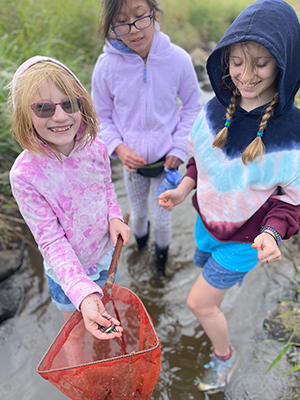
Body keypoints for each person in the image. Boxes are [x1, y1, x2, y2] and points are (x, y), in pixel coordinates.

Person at [158, 0, 300, 393]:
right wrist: (183, 189)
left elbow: (291, 200)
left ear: (284, 65)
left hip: (244, 241)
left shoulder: (291, 136)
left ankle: (225, 357)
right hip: (207, 223)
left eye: (261, 64)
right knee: (200, 260)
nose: (247, 75)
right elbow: (200, 162)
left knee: (198, 304)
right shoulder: (212, 111)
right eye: (237, 62)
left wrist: (271, 234)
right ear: (225, 60)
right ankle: (221, 289)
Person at [8, 56, 131, 342]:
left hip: (104, 257)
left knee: (106, 315)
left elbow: (106, 186)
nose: (60, 116)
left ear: (82, 106)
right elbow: (50, 241)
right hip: (66, 274)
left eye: (69, 104)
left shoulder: (96, 148)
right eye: (43, 108)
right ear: (25, 117)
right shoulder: (25, 175)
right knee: (75, 333)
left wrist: (114, 215)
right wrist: (82, 292)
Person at [91, 0, 202, 276]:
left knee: (163, 220)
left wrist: (179, 146)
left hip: (168, 165)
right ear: (111, 26)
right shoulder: (106, 66)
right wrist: (118, 146)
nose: (134, 30)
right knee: (138, 216)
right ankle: (141, 251)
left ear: (154, 13)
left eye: (141, 17)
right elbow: (101, 116)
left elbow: (192, 107)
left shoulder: (178, 59)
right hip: (133, 168)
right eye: (122, 23)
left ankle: (160, 269)